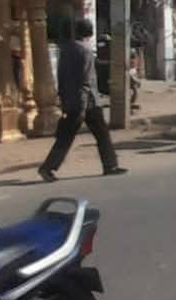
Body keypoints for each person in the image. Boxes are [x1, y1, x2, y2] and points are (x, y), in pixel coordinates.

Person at [39, 18, 126, 182]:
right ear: (90, 33)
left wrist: (64, 99)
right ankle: (110, 165)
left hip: (70, 100)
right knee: (101, 134)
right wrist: (83, 106)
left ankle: (48, 167)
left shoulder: (66, 50)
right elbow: (86, 80)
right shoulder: (85, 51)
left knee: (66, 137)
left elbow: (61, 77)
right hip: (88, 102)